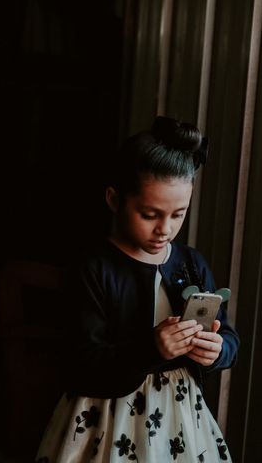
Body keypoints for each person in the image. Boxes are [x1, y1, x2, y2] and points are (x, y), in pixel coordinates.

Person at [35, 116, 239, 462]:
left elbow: (229, 336)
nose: (165, 228)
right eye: (149, 214)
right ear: (115, 199)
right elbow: (79, 363)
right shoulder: (94, 269)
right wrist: (151, 349)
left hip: (180, 419)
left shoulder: (190, 263)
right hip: (107, 418)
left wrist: (217, 350)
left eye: (178, 214)